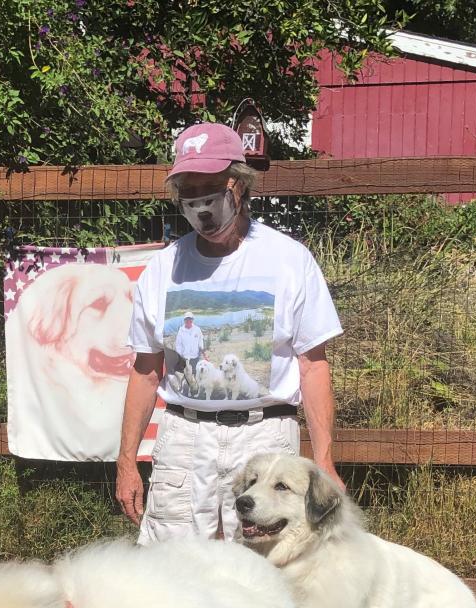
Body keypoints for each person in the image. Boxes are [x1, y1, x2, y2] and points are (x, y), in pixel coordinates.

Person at [116, 121, 343, 543]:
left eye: (211, 190)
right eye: (188, 192)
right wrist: (127, 461)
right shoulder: (163, 269)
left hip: (265, 436)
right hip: (185, 438)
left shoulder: (288, 261)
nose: (201, 206)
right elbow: (146, 370)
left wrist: (325, 461)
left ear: (238, 186)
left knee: (267, 568)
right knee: (173, 572)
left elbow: (313, 367)